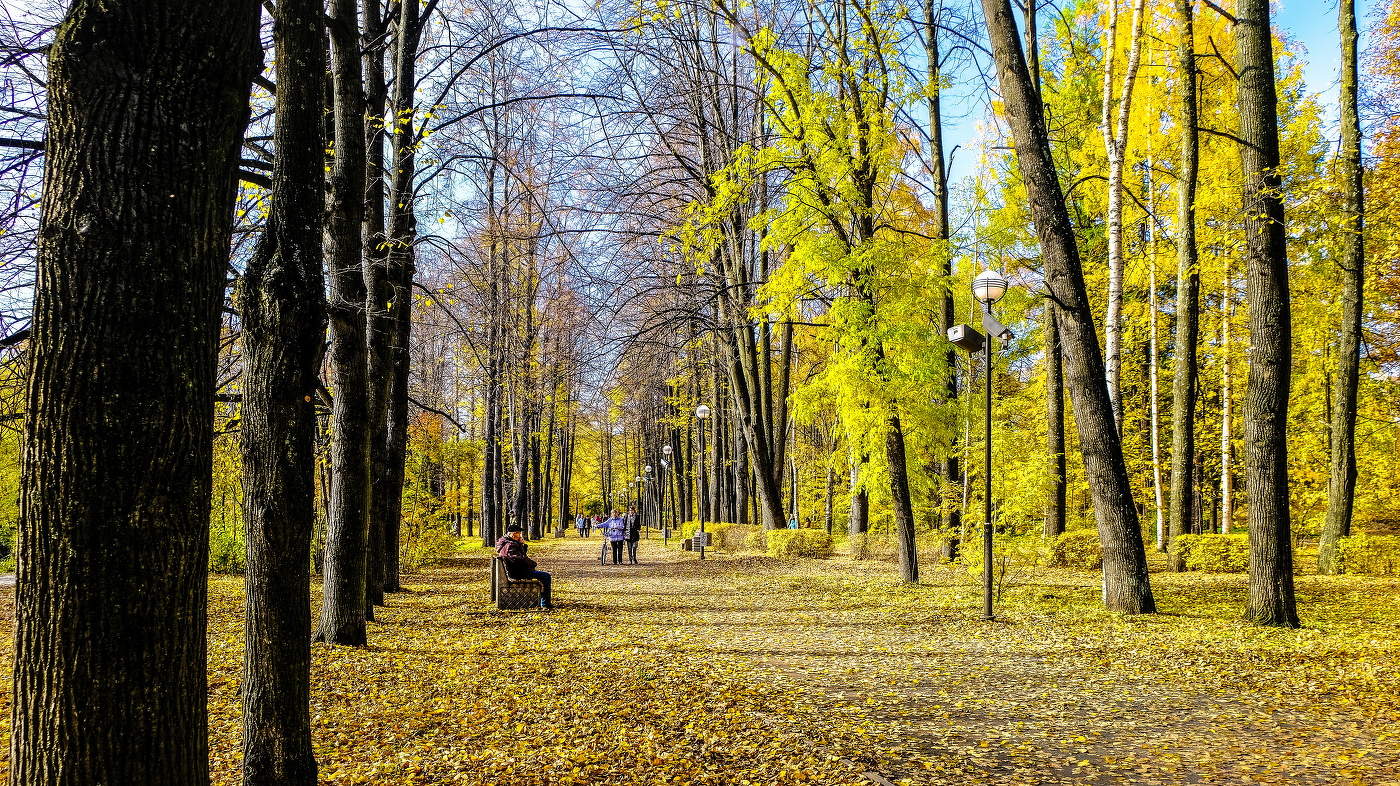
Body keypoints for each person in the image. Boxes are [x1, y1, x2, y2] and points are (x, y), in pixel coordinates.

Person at [495, 523, 552, 609]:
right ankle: (545, 604)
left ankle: (544, 602)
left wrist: (522, 545)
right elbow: (519, 560)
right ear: (513, 534)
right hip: (517, 573)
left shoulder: (506, 542)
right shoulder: (511, 545)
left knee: (543, 575)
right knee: (546, 576)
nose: (520, 535)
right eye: (519, 533)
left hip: (516, 570)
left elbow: (520, 556)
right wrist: (532, 564)